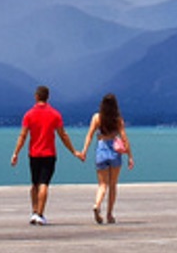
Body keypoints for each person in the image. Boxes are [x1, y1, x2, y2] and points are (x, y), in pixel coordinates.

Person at [9, 85, 81, 225]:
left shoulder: (29, 114)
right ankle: (40, 214)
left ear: (36, 96)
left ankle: (34, 212)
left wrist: (16, 152)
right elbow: (63, 135)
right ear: (48, 97)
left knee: (35, 183)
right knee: (44, 184)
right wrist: (73, 151)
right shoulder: (55, 114)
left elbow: (23, 135)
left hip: (34, 154)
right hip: (49, 154)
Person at [79, 92, 133, 225]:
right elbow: (124, 138)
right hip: (114, 151)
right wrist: (130, 156)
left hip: (101, 150)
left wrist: (84, 151)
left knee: (102, 184)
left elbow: (90, 135)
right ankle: (109, 214)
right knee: (113, 185)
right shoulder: (118, 119)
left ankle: (97, 204)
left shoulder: (97, 117)